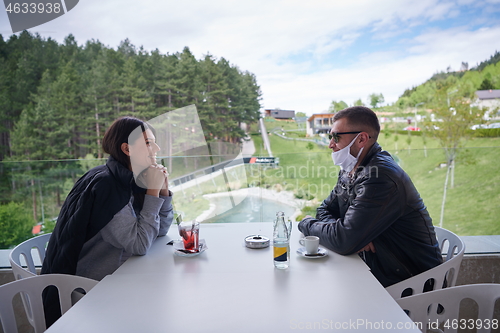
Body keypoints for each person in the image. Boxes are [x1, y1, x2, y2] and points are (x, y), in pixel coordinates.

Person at [42, 116, 174, 325]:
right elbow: (140, 245)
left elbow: (161, 230)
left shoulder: (128, 179)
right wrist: (152, 193)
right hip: (87, 289)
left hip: (118, 275)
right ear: (127, 149)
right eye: (148, 143)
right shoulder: (107, 187)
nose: (156, 148)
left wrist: (162, 191)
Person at [298, 106, 442, 288]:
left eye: (336, 137)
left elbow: (344, 241)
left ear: (361, 139)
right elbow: (325, 210)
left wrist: (306, 224)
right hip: (379, 269)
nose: (330, 144)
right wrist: (353, 235)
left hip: (412, 285)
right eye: (330, 136)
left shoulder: (380, 177)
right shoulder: (350, 170)